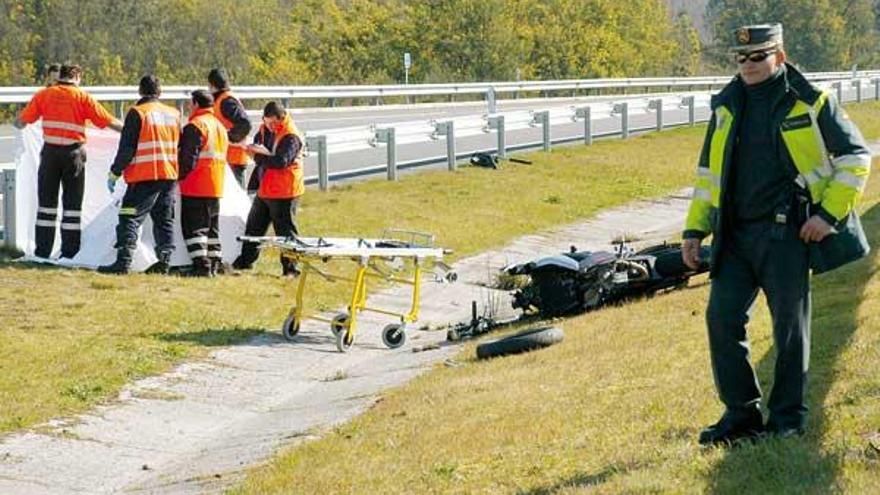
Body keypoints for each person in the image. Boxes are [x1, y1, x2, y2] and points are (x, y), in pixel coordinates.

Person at [682, 24, 872, 445]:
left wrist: (827, 215)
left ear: (779, 57)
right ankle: (741, 414)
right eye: (741, 58)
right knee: (721, 318)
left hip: (787, 236)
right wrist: (694, 229)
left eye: (758, 57)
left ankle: (787, 418)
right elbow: (708, 177)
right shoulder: (726, 106)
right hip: (733, 237)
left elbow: (856, 156)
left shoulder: (811, 101)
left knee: (789, 329)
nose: (748, 65)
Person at [14, 64, 123, 259]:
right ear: (77, 77)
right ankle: (70, 252)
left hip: (49, 153)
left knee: (47, 204)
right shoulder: (82, 97)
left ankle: (42, 251)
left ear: (61, 76)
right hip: (74, 155)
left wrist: (19, 122)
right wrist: (133, 132)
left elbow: (22, 122)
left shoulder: (44, 95)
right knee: (72, 205)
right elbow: (108, 121)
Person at [98, 75, 181, 275]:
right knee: (164, 220)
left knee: (129, 217)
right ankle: (164, 262)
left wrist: (115, 172)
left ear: (140, 91)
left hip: (145, 175)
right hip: (169, 175)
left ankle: (123, 261)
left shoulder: (138, 113)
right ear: (160, 92)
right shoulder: (174, 113)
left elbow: (127, 148)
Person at [233, 101, 304, 276]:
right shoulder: (265, 129)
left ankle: (291, 269)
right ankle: (244, 262)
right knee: (254, 227)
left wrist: (257, 156)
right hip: (266, 188)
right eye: (267, 122)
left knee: (285, 232)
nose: (270, 126)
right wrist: (253, 148)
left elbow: (281, 161)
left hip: (285, 191)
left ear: (281, 118)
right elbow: (259, 142)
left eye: (273, 123)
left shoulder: (291, 135)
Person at [177, 89, 229, 277]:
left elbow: (188, 159)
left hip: (196, 185)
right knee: (212, 229)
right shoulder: (220, 126)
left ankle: (201, 266)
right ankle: (214, 263)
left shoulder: (196, 125)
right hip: (216, 185)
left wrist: (176, 177)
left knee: (194, 229)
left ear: (196, 104)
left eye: (191, 104)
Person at [208, 68, 252, 188]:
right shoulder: (222, 99)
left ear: (211, 84)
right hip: (228, 159)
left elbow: (245, 124)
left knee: (237, 202)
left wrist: (227, 138)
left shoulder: (227, 101)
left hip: (234, 159)